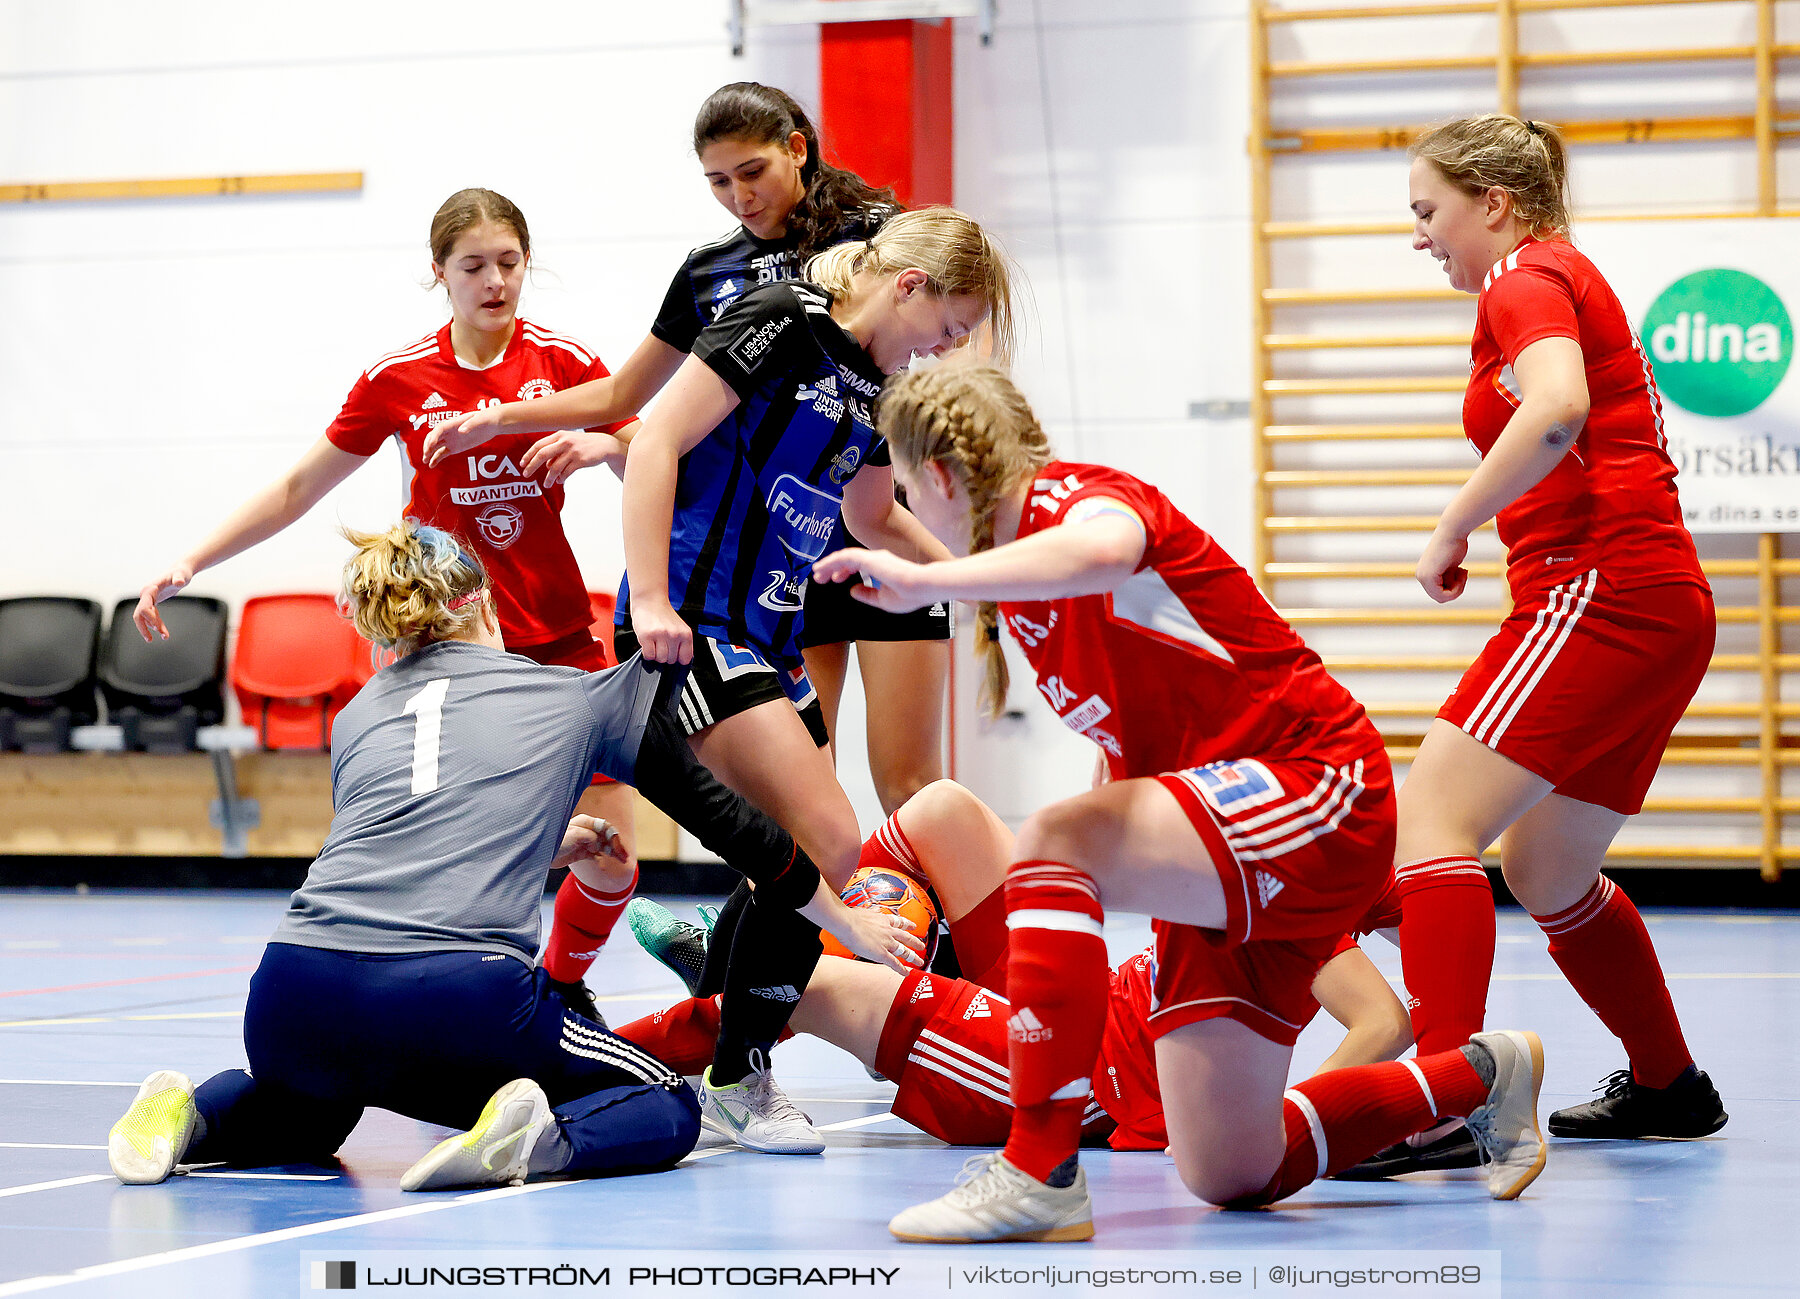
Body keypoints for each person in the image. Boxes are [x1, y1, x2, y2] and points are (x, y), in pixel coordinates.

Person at [811, 357, 1549, 1242]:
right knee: (1231, 1168)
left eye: (909, 498)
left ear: (936, 477)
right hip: (1226, 844)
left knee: (1053, 843)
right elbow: (1127, 740)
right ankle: (1482, 1074)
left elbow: (1108, 545)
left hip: (1316, 783)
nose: (910, 523)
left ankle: (1039, 1170)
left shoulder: (1081, 499)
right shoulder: (1026, 590)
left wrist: (929, 584)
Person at [105, 521, 921, 1191]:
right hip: (461, 1006)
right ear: (485, 606)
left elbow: (404, 849)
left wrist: (538, 844)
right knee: (664, 1097)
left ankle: (190, 1108)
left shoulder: (353, 716)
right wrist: (843, 916)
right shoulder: (578, 693)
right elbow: (746, 834)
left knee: (319, 1107)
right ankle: (536, 1137)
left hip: (288, 999)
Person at [130, 188, 647, 994]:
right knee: (466, 832)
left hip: (552, 635)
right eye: (473, 265)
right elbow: (301, 485)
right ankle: (457, 983)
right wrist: (192, 560)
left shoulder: (564, 363)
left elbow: (646, 454)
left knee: (614, 849)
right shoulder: (400, 377)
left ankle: (558, 986)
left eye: (509, 263)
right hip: (439, 641)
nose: (495, 281)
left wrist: (596, 445)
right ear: (438, 272)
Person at [424, 82, 953, 826]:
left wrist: (972, 556)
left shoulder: (878, 244)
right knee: (800, 800)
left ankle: (896, 936)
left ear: (796, 149)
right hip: (775, 556)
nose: (738, 196)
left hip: (870, 518)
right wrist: (500, 417)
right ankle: (809, 941)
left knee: (909, 783)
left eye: (753, 173)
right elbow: (625, 398)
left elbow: (954, 324)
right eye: (717, 181)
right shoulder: (713, 273)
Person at [1370, 114, 1726, 1174]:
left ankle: (1442, 1101)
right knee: (1545, 860)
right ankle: (1669, 1083)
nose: (1420, 235)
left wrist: (1453, 522)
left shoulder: (1526, 277)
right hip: (1657, 600)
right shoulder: (1551, 276)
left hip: (1604, 591)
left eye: (1428, 211)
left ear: (1495, 203)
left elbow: (1560, 408)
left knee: (1429, 817)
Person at [618, 779, 1417, 1157]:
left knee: (809, 985)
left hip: (1053, 1067)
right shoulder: (1283, 884)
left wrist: (1279, 1131)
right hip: (1080, 1009)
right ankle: (741, 967)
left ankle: (590, 1050)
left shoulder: (1302, 911)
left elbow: (1389, 1021)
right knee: (942, 811)